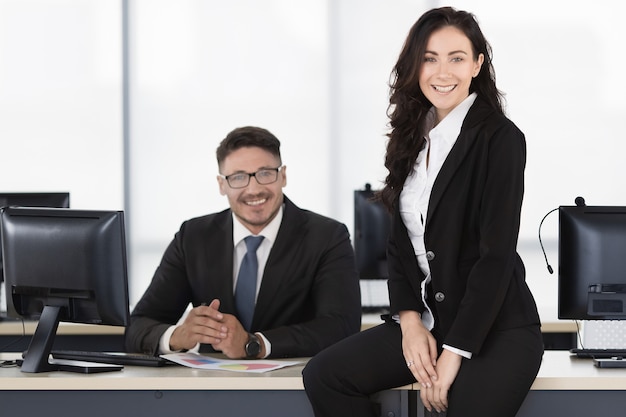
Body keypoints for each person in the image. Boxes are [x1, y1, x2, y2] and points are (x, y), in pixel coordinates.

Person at [303, 7, 543, 417]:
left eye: (456, 58)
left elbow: (495, 258)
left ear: (477, 64)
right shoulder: (412, 135)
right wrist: (411, 322)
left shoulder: (500, 139)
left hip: (496, 328)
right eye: (429, 58)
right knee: (326, 375)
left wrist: (455, 351)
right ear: (415, 65)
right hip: (432, 321)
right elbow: (399, 244)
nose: (441, 72)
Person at [125, 126, 361, 359]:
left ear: (283, 176)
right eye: (238, 177)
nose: (254, 189)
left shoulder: (327, 236)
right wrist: (178, 336)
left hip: (296, 385)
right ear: (222, 184)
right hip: (209, 388)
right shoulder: (193, 237)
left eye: (265, 173)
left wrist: (254, 344)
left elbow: (341, 327)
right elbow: (138, 326)